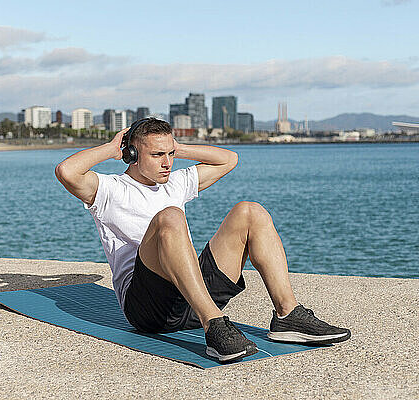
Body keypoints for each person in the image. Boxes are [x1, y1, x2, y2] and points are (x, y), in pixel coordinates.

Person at [55, 118, 350, 362]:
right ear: (131, 154)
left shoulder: (174, 181)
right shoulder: (109, 189)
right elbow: (66, 171)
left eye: (170, 154)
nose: (167, 163)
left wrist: (176, 146)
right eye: (157, 155)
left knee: (250, 211)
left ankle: (287, 316)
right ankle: (215, 326)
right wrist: (110, 149)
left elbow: (229, 159)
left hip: (191, 294)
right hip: (149, 309)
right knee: (169, 216)